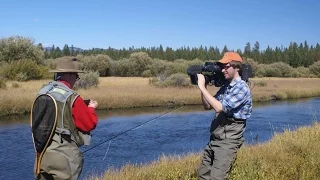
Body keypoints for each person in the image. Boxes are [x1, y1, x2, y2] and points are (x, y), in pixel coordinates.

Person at [30, 57, 99, 180]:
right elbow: (89, 124)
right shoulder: (73, 97)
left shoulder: (44, 91)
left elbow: (56, 110)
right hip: (63, 159)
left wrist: (82, 104)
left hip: (42, 156)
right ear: (69, 75)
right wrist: (91, 108)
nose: (76, 80)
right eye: (76, 77)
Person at [197, 52, 252, 180]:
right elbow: (208, 106)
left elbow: (219, 108)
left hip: (228, 141)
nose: (223, 70)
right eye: (222, 67)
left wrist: (201, 87)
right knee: (203, 175)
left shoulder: (242, 88)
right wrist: (203, 87)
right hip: (216, 137)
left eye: (226, 66)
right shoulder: (226, 87)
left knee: (217, 177)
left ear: (237, 67)